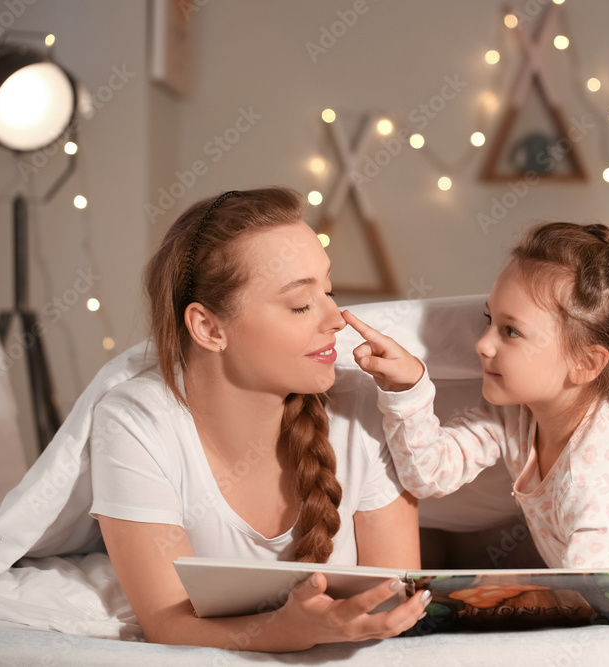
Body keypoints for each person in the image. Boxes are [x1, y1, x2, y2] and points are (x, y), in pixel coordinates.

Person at [90, 187, 429, 652]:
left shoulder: (364, 409)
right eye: (301, 304)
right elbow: (168, 626)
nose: (337, 319)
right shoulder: (135, 423)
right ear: (209, 328)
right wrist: (287, 633)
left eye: (328, 290)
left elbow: (394, 605)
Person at [343, 222, 609, 596]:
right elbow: (428, 474)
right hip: (567, 566)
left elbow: (594, 595)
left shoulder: (603, 457)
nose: (482, 345)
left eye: (511, 332)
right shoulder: (515, 414)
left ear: (585, 363)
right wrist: (408, 388)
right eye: (490, 321)